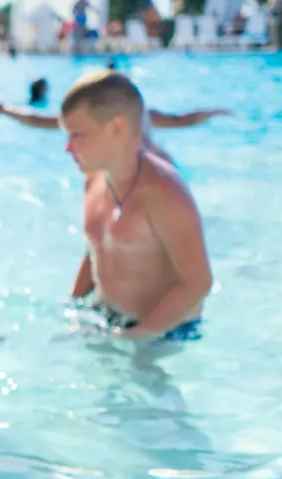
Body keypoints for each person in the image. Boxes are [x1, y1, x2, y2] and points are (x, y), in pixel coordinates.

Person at [60, 70, 212, 341]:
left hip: (164, 331)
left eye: (77, 135)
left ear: (118, 128)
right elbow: (96, 246)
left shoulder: (164, 192)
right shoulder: (94, 179)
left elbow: (198, 282)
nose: (67, 148)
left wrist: (138, 337)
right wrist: (73, 307)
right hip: (106, 316)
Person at [0, 98, 231, 167]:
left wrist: (6, 110)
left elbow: (40, 121)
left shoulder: (92, 120)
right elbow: (183, 120)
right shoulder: (143, 115)